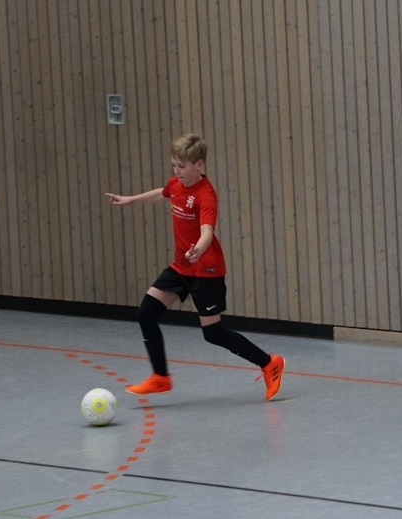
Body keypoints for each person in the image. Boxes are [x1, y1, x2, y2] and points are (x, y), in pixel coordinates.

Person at [105, 133, 285, 400]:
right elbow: (163, 193)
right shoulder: (177, 184)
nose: (177, 172)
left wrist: (197, 250)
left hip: (205, 271)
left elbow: (207, 232)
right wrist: (131, 199)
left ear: (199, 165)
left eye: (182, 166)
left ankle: (269, 363)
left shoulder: (205, 195)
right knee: (146, 313)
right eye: (173, 165)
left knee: (213, 333)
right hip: (181, 267)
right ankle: (160, 378)